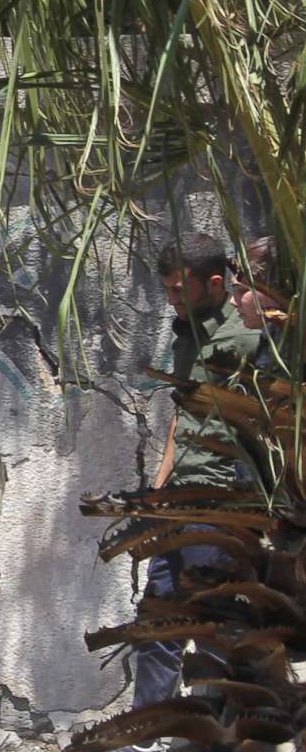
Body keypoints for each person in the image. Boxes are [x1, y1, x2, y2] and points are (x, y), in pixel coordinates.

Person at [124, 239, 263, 721]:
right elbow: (181, 419)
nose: (171, 300)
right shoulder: (188, 332)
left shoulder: (245, 337)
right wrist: (159, 492)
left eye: (180, 290)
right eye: (167, 290)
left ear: (216, 284)